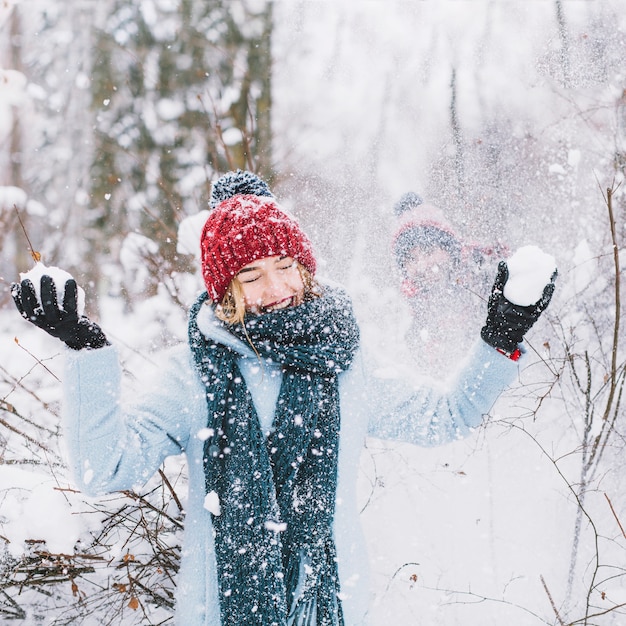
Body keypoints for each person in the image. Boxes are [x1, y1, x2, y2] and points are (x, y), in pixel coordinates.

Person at [11, 171, 556, 626]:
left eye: (285, 267)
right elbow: (103, 467)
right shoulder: (192, 376)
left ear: (305, 268)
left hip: (336, 608)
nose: (275, 289)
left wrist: (500, 338)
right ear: (224, 291)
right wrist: (86, 349)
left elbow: (446, 417)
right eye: (251, 276)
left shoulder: (345, 363)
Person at [392, 191, 507, 375]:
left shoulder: (487, 273)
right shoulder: (416, 306)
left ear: (449, 249)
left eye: (429, 252)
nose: (421, 265)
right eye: (411, 259)